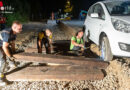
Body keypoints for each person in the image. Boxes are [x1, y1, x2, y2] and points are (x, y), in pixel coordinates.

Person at [0, 21, 22, 86]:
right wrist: (10, 56)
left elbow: (12, 44)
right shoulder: (7, 33)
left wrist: (14, 53)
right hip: (2, 45)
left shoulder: (14, 33)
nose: (21, 30)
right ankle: (0, 79)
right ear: (13, 27)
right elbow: (4, 47)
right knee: (2, 60)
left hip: (2, 44)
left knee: (10, 52)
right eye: (19, 28)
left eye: (21, 28)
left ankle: (12, 64)